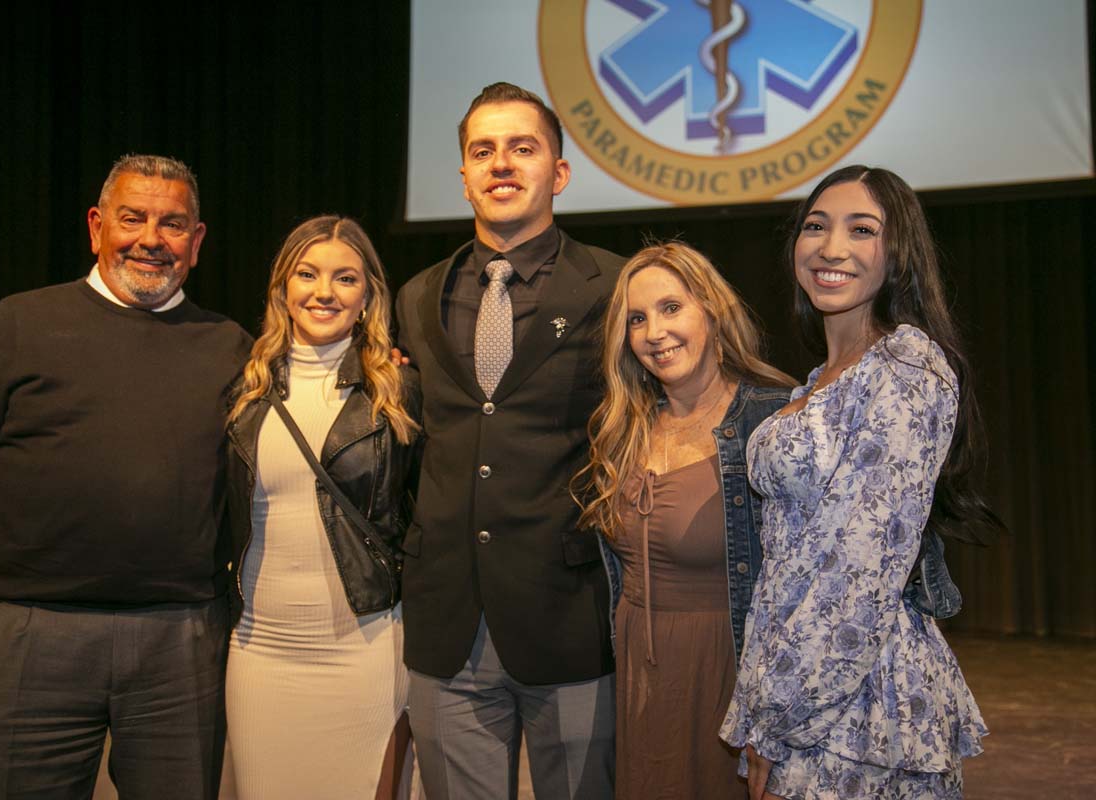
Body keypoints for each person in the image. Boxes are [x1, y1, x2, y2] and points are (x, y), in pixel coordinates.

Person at [0, 154, 252, 798]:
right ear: (96, 227)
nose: (150, 238)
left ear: (196, 243)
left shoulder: (233, 348)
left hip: (182, 644)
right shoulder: (15, 327)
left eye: (172, 224)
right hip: (35, 638)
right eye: (132, 218)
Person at [720, 165, 994, 799]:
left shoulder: (905, 366)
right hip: (798, 692)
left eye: (861, 229)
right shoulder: (819, 378)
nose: (831, 247)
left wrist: (779, 718)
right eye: (815, 226)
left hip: (854, 705)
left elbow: (858, 570)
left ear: (898, 253)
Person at [393, 82, 624, 799]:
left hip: (570, 616)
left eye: (522, 148)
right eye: (482, 150)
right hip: (448, 623)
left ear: (557, 172)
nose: (501, 164)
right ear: (462, 174)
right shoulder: (415, 296)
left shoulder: (616, 286)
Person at [573, 242, 794, 799]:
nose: (654, 332)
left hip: (731, 677)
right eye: (638, 319)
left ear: (712, 311)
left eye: (672, 308)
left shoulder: (774, 420)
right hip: (644, 685)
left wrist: (775, 713)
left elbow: (810, 587)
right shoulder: (622, 429)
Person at [223, 215, 420, 798]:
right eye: (307, 274)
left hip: (367, 649)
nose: (324, 292)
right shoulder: (243, 389)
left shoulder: (400, 393)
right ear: (283, 288)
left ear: (368, 297)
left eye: (345, 278)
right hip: (261, 651)